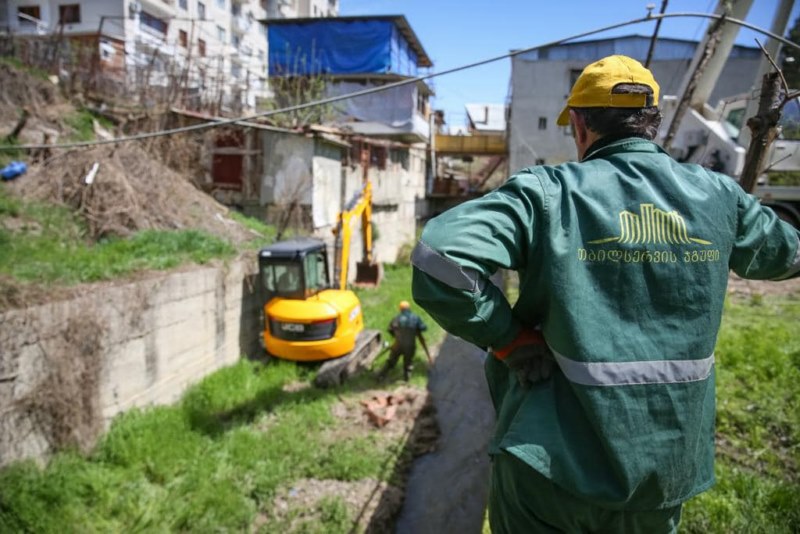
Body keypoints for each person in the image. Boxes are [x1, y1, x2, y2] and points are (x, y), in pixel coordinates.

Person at [410, 55, 800, 533]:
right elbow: (789, 254)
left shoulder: (549, 193)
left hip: (548, 464)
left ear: (580, 125)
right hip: (659, 473)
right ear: (653, 122)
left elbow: (438, 257)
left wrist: (507, 337)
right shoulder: (719, 195)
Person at [377, 301, 429, 382]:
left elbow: (390, 329)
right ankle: (406, 378)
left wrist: (395, 335)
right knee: (408, 362)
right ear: (409, 308)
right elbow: (424, 328)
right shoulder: (415, 318)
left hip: (398, 345)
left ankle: (381, 375)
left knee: (391, 361)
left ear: (400, 309)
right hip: (410, 346)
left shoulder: (396, 318)